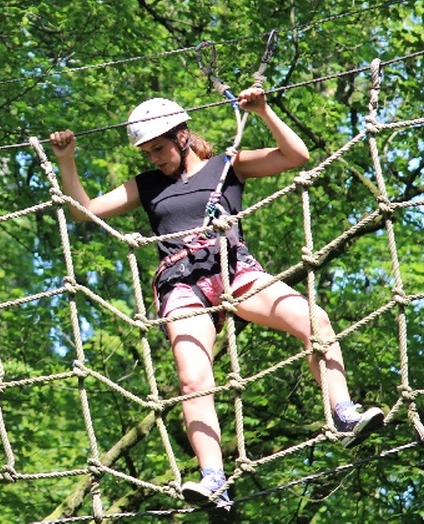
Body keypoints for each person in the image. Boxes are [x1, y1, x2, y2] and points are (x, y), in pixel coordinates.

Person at [49, 88, 385, 510]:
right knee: (193, 379)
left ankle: (343, 413)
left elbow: (296, 156)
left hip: (234, 272)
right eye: (147, 152)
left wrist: (262, 111)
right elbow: (86, 211)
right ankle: (213, 480)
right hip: (181, 283)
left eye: (159, 148)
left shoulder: (227, 166)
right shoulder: (147, 185)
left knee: (313, 319)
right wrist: (67, 160)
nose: (154, 158)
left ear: (182, 135)